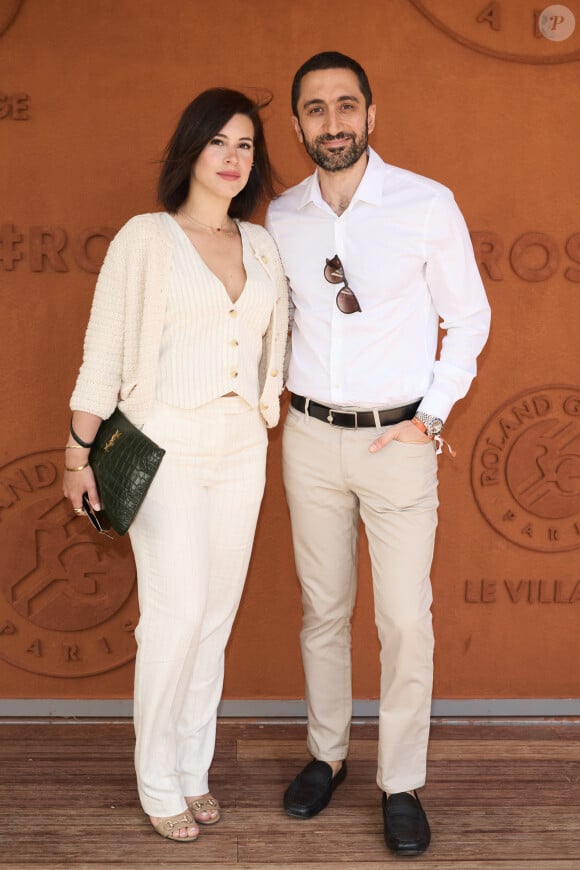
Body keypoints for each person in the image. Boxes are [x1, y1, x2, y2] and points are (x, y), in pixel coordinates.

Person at [266, 52, 490, 857]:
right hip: (311, 439)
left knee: (403, 620)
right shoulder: (281, 217)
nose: (333, 122)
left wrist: (431, 416)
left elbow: (469, 318)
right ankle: (327, 755)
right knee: (322, 611)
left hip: (399, 441)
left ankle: (401, 783)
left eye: (346, 105)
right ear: (296, 125)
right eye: (316, 109)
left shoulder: (427, 205)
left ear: (371, 114)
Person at [63, 88, 288, 842]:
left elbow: (268, 348)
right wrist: (77, 450)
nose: (233, 158)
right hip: (166, 446)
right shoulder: (146, 239)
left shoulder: (261, 246)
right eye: (219, 141)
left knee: (214, 620)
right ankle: (156, 776)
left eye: (247, 145)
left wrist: (268, 406)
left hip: (242, 447)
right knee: (176, 614)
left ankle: (193, 769)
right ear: (190, 149)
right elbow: (104, 351)